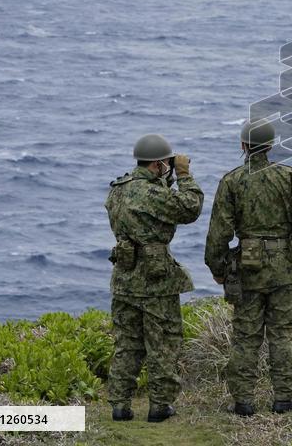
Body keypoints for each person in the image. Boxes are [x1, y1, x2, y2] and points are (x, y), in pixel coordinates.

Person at [205, 120, 292, 415]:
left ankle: (243, 401)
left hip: (248, 268)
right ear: (270, 146)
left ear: (243, 145)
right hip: (285, 269)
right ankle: (284, 399)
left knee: (246, 336)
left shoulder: (231, 181)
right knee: (282, 333)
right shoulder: (288, 176)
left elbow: (219, 233)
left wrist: (217, 268)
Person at [105, 133, 203, 423]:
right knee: (163, 342)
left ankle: (120, 405)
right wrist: (183, 174)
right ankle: (159, 405)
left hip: (124, 277)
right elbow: (190, 208)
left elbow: (149, 206)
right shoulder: (152, 194)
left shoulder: (118, 189)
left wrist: (166, 178)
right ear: (158, 164)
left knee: (127, 343)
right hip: (155, 280)